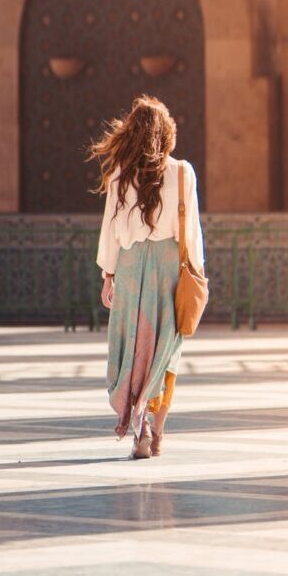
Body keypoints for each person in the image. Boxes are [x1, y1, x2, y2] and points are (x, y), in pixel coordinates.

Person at [88, 95, 205, 460]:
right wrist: (197, 271)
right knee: (165, 354)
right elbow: (193, 232)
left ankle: (136, 423)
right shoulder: (183, 172)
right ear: (166, 133)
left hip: (130, 270)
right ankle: (156, 433)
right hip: (169, 270)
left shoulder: (120, 176)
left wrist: (108, 276)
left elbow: (110, 230)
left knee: (134, 350)